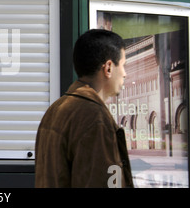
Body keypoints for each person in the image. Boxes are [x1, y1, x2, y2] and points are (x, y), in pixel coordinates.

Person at [35, 29, 134, 188]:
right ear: (108, 67)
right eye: (123, 65)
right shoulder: (95, 117)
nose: (125, 74)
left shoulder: (55, 110)